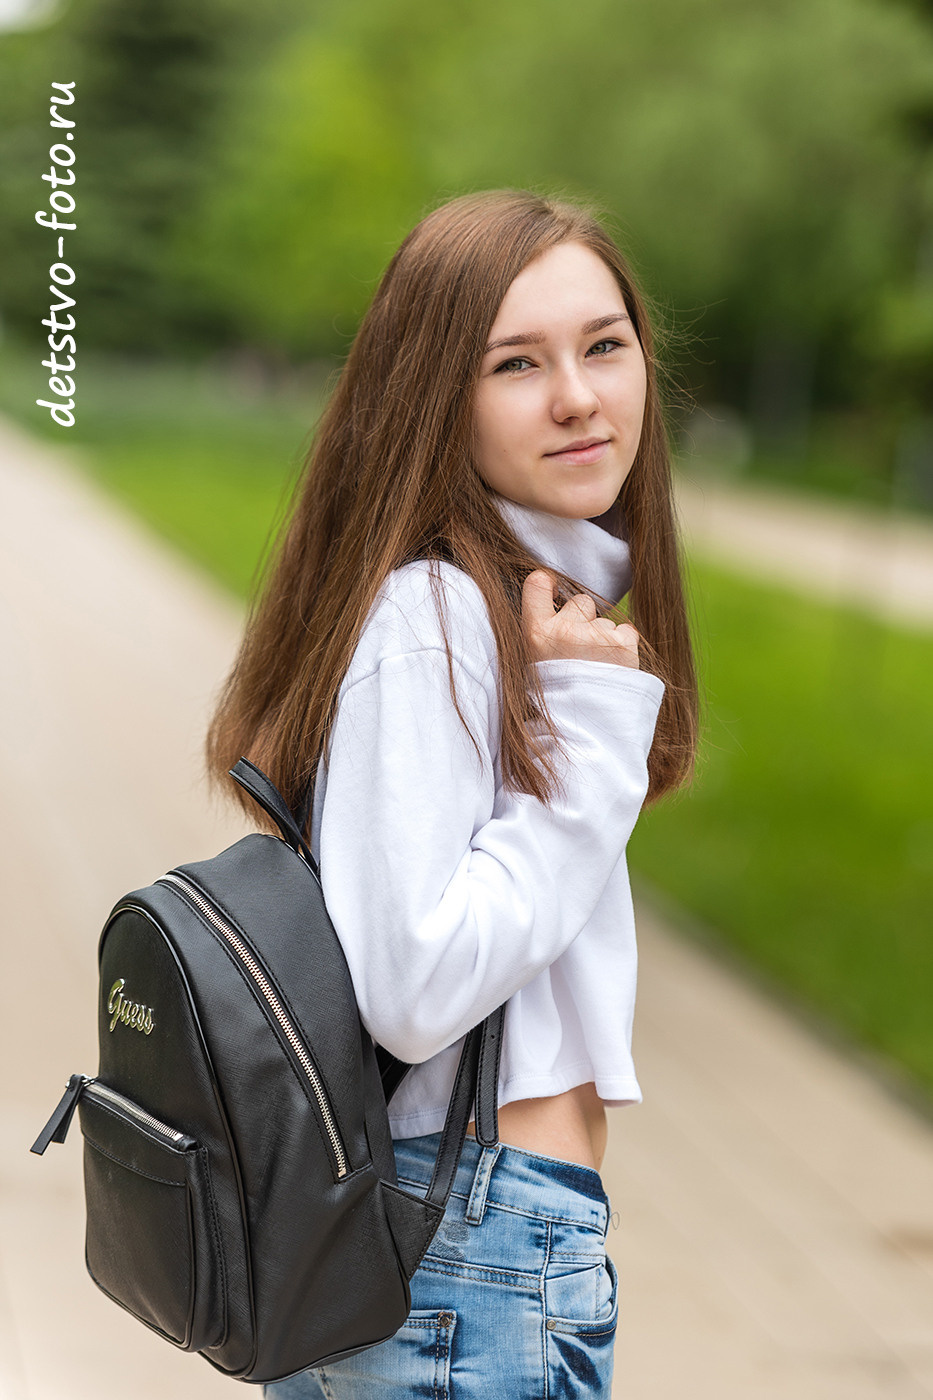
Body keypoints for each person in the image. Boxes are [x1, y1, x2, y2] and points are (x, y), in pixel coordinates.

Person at [206, 188, 698, 1399]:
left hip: (492, 1251)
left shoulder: (512, 606)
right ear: (438, 396)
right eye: (516, 363)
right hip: (465, 1258)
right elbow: (415, 986)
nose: (579, 395)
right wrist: (585, 752)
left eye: (603, 345)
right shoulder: (436, 616)